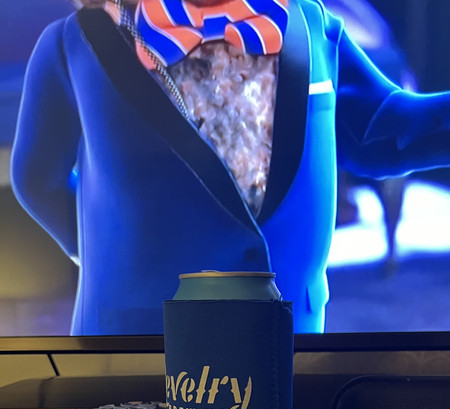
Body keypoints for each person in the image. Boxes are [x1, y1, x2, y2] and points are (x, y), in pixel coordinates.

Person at [10, 0, 450, 334]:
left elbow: (384, 133)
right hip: (140, 341)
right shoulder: (75, 45)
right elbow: (36, 178)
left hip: (288, 340)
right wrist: (112, 256)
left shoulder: (313, 25)